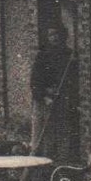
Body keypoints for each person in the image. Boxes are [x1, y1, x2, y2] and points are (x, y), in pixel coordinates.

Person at [29, 21, 72, 155]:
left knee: (61, 129)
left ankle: (61, 158)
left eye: (57, 34)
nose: (54, 38)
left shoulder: (68, 55)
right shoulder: (43, 55)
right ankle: (40, 159)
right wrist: (44, 96)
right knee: (42, 132)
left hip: (61, 99)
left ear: (63, 36)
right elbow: (35, 81)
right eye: (51, 35)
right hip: (43, 100)